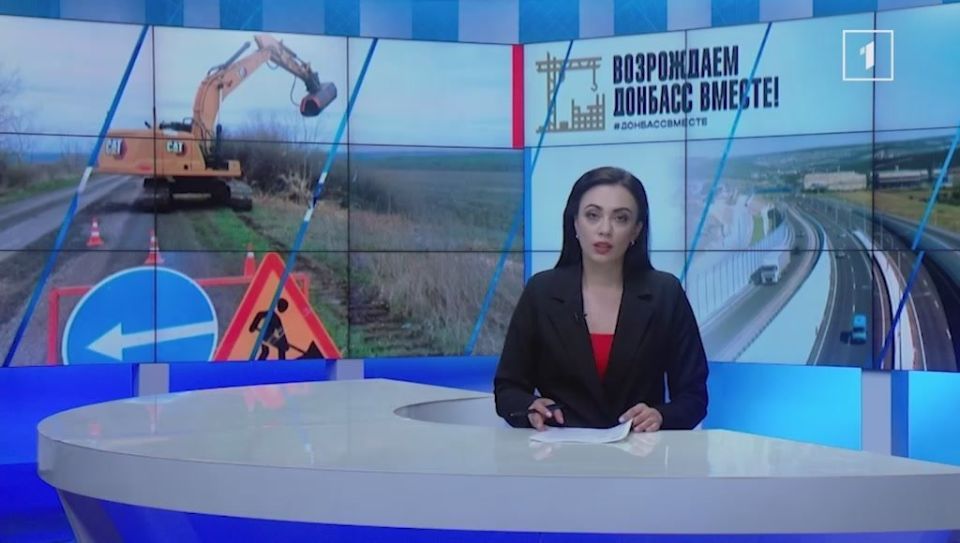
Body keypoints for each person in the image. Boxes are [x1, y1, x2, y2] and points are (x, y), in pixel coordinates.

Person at [494, 166, 708, 432]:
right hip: (559, 451)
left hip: (639, 451)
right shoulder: (541, 292)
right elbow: (508, 388)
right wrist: (529, 407)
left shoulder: (666, 293)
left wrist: (661, 416)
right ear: (575, 223)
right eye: (593, 215)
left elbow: (693, 397)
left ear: (636, 230)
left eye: (621, 218)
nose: (605, 229)